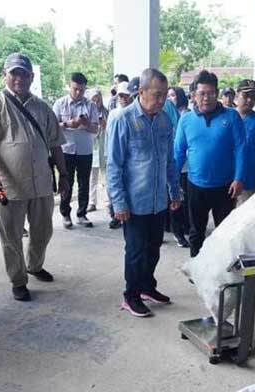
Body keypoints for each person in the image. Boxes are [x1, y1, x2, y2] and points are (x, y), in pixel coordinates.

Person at [0, 53, 67, 301]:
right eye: (14, 73)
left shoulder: (42, 107)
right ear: (4, 76)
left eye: (24, 73)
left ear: (31, 77)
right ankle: (18, 279)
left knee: (43, 230)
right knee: (11, 235)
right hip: (8, 185)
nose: (19, 78)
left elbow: (56, 144)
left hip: (42, 183)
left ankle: (34, 266)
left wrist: (64, 174)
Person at [107, 68, 182, 317]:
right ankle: (131, 295)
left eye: (164, 95)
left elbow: (169, 160)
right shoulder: (123, 119)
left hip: (158, 200)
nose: (162, 100)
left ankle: (148, 287)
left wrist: (175, 191)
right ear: (141, 92)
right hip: (134, 202)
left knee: (154, 248)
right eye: (157, 95)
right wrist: (118, 203)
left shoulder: (164, 120)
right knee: (136, 251)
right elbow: (114, 165)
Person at [173, 70, 246, 257]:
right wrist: (172, 183)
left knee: (224, 232)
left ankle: (221, 270)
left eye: (211, 93)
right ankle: (197, 268)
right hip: (196, 186)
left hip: (225, 187)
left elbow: (240, 148)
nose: (207, 98)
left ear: (217, 93)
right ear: (194, 95)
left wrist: (238, 178)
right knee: (196, 232)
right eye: (202, 93)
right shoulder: (186, 119)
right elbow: (178, 152)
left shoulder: (231, 117)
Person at [53, 72, 99, 229]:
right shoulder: (60, 104)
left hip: (85, 150)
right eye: (75, 89)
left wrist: (86, 124)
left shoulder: (91, 105)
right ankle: (65, 213)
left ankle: (82, 213)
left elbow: (96, 130)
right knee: (67, 182)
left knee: (84, 183)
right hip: (66, 150)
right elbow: (52, 127)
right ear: (69, 86)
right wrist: (68, 124)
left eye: (81, 90)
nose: (78, 93)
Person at [105, 81, 134, 230]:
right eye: (120, 95)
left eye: (125, 95)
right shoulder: (113, 114)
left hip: (127, 160)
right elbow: (108, 136)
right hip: (112, 156)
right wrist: (106, 155)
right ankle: (115, 215)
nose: (123, 98)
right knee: (112, 188)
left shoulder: (132, 115)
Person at [167, 86, 191, 248]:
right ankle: (173, 229)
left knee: (180, 200)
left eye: (173, 95)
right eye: (167, 95)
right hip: (170, 164)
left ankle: (180, 230)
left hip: (185, 166)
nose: (169, 99)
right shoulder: (164, 115)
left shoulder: (187, 115)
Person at [87, 89, 108, 213]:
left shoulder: (106, 111)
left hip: (104, 146)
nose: (95, 101)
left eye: (97, 98)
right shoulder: (87, 112)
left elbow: (110, 128)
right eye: (93, 99)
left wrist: (104, 124)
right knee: (92, 176)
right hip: (92, 147)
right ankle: (92, 201)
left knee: (106, 175)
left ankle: (107, 201)